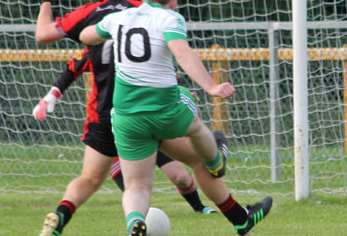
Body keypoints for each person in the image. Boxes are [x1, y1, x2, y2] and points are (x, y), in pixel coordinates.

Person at [80, 0, 273, 236]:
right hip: (165, 109)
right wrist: (211, 86)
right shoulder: (170, 18)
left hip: (126, 116)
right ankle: (216, 160)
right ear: (173, 1)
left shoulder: (119, 19)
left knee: (137, 185)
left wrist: (98, 29)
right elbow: (181, 53)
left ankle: (137, 224)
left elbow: (85, 35)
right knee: (197, 129)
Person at [34, 0, 143, 236]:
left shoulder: (87, 13)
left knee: (91, 179)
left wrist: (45, 0)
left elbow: (43, 34)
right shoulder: (144, 10)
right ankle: (141, 222)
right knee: (179, 156)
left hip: (103, 113)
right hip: (142, 109)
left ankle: (59, 215)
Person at [33, 55, 217, 214]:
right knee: (133, 190)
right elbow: (73, 67)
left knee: (181, 177)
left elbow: (167, 77)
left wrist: (182, 91)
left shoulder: (141, 53)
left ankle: (199, 207)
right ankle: (140, 223)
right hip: (113, 133)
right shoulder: (99, 49)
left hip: (145, 125)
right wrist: (53, 95)